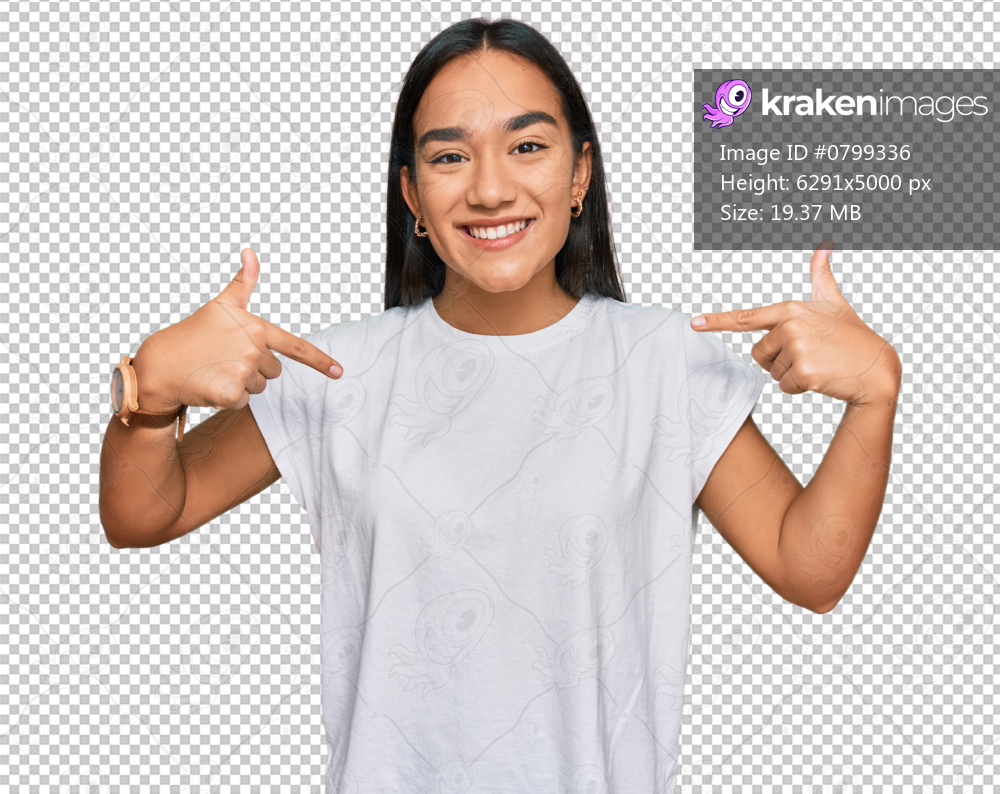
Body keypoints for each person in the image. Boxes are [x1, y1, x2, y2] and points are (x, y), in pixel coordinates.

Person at [99, 17, 901, 794]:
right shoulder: (337, 370)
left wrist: (873, 397)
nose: (490, 189)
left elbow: (811, 570)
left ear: (578, 173)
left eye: (527, 146)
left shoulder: (662, 363)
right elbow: (143, 515)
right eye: (450, 156)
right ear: (412, 193)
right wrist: (150, 395)